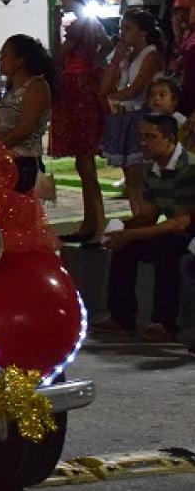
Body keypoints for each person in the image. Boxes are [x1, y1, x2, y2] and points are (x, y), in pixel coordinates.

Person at [96, 114, 195, 342]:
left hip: (189, 234)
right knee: (127, 244)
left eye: (150, 137)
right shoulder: (153, 170)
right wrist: (122, 231)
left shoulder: (188, 168)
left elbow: (181, 222)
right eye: (141, 137)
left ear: (169, 139)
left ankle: (165, 322)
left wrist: (130, 233)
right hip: (177, 231)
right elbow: (148, 216)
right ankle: (121, 316)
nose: (143, 143)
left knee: (165, 245)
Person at [50, 0, 112, 243]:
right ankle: (91, 223)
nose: (62, 0)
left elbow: (58, 58)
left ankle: (96, 224)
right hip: (85, 89)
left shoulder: (78, 26)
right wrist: (95, 65)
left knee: (85, 163)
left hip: (77, 93)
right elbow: (107, 46)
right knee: (84, 162)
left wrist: (54, 27)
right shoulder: (92, 24)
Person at [102, 10, 165, 214]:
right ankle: (137, 217)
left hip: (141, 117)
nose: (122, 33)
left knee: (140, 176)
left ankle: (144, 219)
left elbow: (135, 90)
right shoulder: (125, 56)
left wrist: (112, 97)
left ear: (143, 32)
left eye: (128, 28)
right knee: (130, 177)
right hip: (123, 117)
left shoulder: (151, 55)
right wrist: (116, 60)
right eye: (121, 28)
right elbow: (104, 87)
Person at [0, 34, 55, 193]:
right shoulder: (12, 90)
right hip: (5, 161)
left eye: (5, 55)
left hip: (23, 164)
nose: (0, 59)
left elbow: (24, 129)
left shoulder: (37, 87)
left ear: (20, 61)